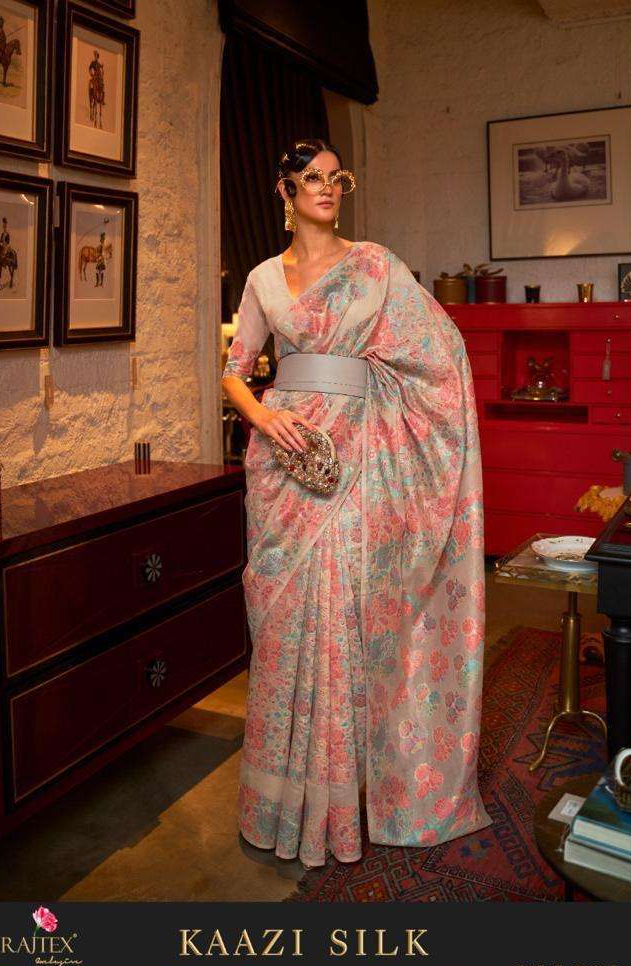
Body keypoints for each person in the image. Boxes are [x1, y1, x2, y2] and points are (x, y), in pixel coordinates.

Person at [221, 138, 492, 869]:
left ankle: (340, 810)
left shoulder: (376, 268)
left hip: (356, 465)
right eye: (312, 178)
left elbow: (441, 352)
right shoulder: (263, 280)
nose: (328, 188)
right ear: (284, 191)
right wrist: (264, 417)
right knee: (283, 629)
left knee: (343, 619)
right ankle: (281, 805)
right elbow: (234, 371)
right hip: (284, 464)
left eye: (336, 177)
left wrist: (381, 412)